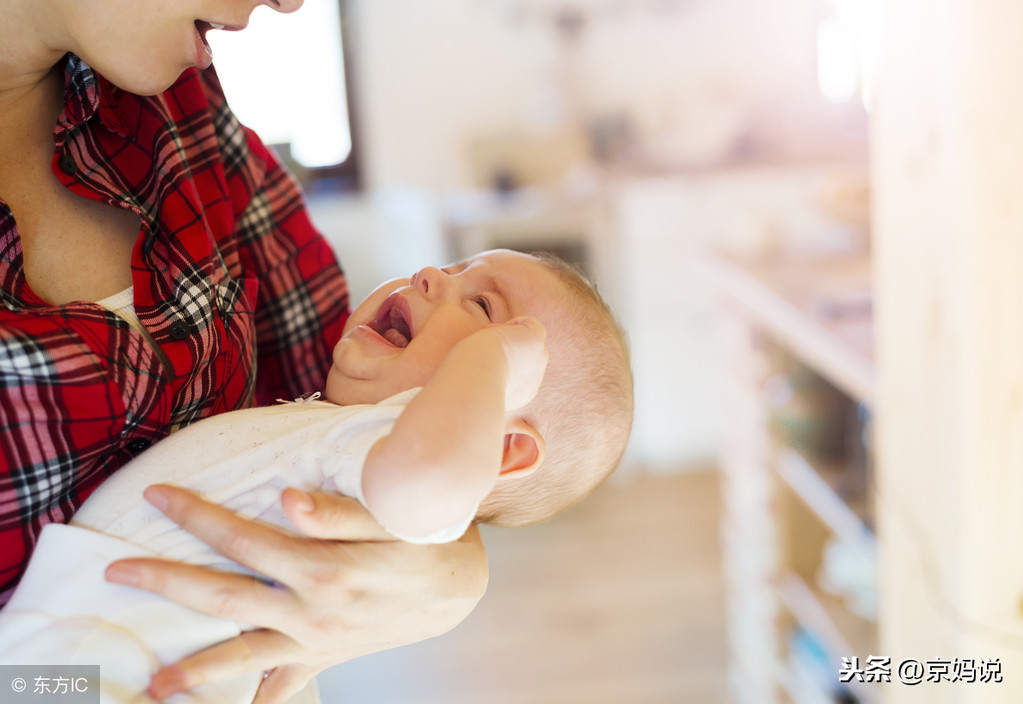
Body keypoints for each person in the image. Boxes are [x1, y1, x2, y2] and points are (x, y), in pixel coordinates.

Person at [0, 1, 489, 701]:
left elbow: (354, 399)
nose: (292, 2)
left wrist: (453, 573)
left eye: (483, 302)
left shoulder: (181, 112)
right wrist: (53, 685)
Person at [0, 249, 634, 703]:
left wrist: (489, 360)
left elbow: (426, 483)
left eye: (483, 304)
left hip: (123, 674)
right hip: (60, 658)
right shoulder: (335, 431)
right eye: (455, 265)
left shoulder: (384, 443)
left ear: (500, 451)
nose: (431, 273)